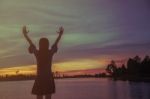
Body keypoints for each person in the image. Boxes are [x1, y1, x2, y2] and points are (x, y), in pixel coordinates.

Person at [22, 26, 64, 99]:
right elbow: (56, 43)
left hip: (40, 78)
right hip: (48, 78)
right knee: (48, 97)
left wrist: (25, 35)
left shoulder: (37, 53)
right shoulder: (50, 53)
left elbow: (30, 43)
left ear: (40, 45)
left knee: (39, 97)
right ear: (47, 44)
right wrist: (60, 35)